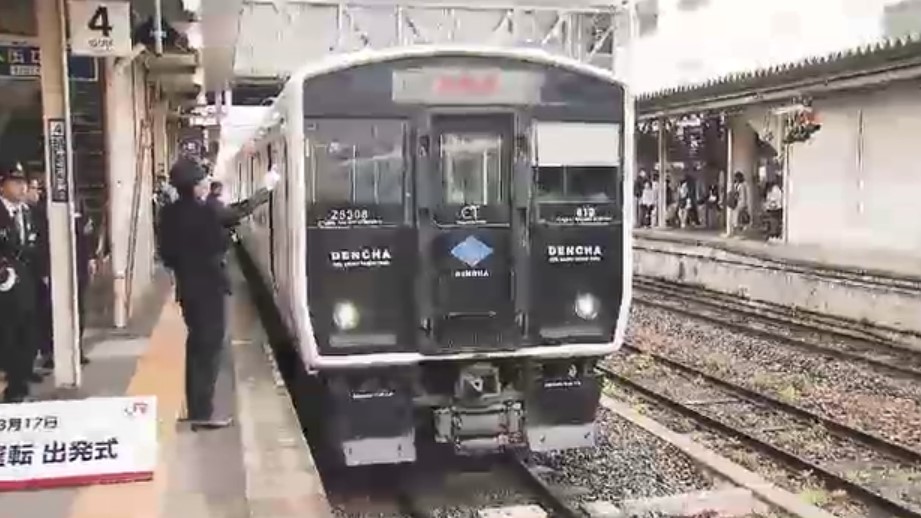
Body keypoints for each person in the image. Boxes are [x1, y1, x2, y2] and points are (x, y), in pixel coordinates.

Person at [157, 157, 278, 430]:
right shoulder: (205, 212)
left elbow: (166, 255)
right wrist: (266, 189)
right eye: (203, 180)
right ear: (195, 186)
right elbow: (237, 214)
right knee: (209, 350)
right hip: (209, 288)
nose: (206, 184)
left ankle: (196, 409)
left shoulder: (169, 214)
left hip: (187, 288)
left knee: (196, 348)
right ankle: (203, 413)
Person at [0, 162, 40, 402]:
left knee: (28, 334)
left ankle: (21, 381)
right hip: (4, 288)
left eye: (22, 182)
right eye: (15, 182)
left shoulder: (27, 212)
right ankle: (13, 386)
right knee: (8, 336)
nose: (21, 187)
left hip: (27, 283)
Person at [727, 171, 750, 237]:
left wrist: (747, 204)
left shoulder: (744, 185)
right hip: (737, 202)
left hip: (741, 202)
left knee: (739, 217)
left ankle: (739, 230)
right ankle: (737, 230)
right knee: (736, 217)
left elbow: (745, 195)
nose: (736, 179)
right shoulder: (736, 184)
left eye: (737, 177)